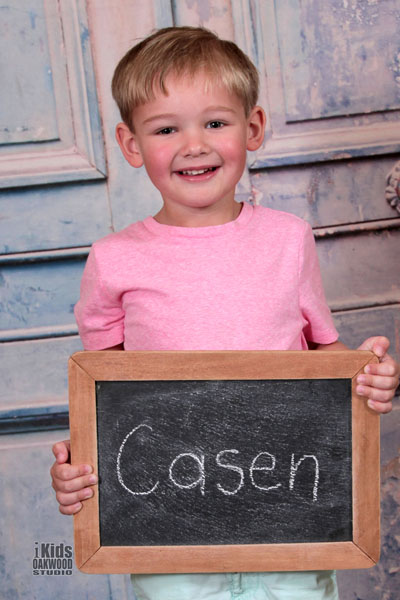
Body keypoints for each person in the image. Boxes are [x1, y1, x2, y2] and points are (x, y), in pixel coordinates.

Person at [51, 26, 399, 600]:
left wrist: (371, 374)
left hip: (291, 521)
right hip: (172, 534)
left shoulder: (289, 240)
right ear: (131, 144)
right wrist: (74, 470)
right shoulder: (113, 261)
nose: (195, 145)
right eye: (166, 129)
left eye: (216, 122)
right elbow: (104, 397)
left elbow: (326, 358)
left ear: (253, 128)